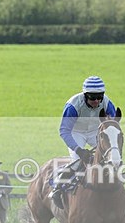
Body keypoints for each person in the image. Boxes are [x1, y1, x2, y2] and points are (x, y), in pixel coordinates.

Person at [49, 76, 117, 209]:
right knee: (77, 161)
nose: (96, 101)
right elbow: (64, 131)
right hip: (76, 133)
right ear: (85, 95)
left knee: (109, 158)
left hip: (95, 132)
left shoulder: (107, 103)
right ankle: (57, 189)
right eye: (92, 97)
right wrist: (78, 150)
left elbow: (113, 126)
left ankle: (115, 189)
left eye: (99, 97)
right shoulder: (73, 105)